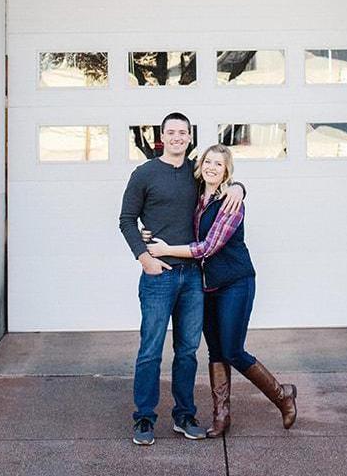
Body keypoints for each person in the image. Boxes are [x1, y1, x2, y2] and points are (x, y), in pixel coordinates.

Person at [146, 143, 298, 436]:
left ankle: (282, 396)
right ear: (200, 165)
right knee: (215, 351)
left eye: (219, 164)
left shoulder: (231, 202)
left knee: (231, 349)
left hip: (235, 283)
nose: (212, 167)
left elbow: (207, 248)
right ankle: (221, 417)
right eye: (208, 162)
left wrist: (166, 249)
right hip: (205, 286)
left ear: (227, 170)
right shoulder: (195, 197)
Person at [118, 112, 245, 446]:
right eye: (171, 132)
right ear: (162, 136)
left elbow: (222, 179)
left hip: (193, 278)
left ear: (190, 137)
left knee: (188, 351)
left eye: (183, 133)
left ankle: (184, 415)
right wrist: (145, 259)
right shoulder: (144, 174)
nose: (177, 137)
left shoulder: (195, 172)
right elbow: (127, 220)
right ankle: (144, 419)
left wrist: (240, 188)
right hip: (158, 276)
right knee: (150, 350)